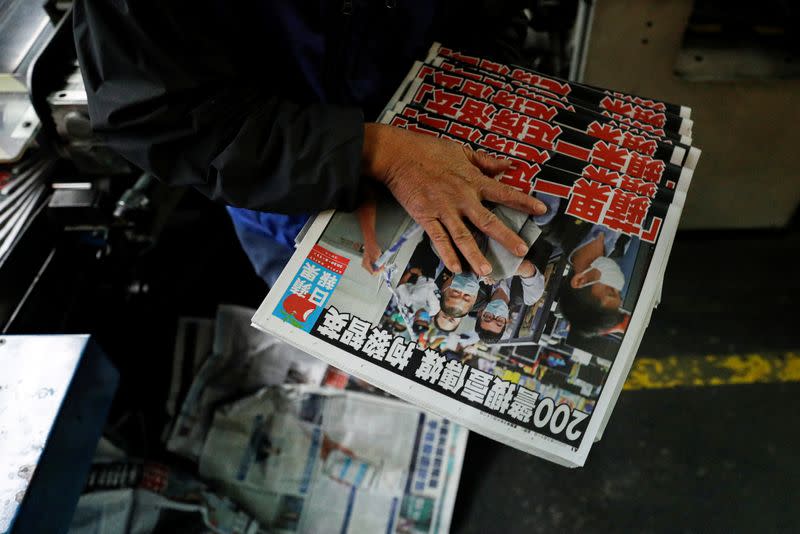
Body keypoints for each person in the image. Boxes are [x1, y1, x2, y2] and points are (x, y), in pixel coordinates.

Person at [73, 1, 545, 286]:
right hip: (284, 192)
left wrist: (471, 102)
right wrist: (370, 154)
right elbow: (157, 110)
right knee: (360, 338)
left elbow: (487, 16)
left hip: (440, 138)